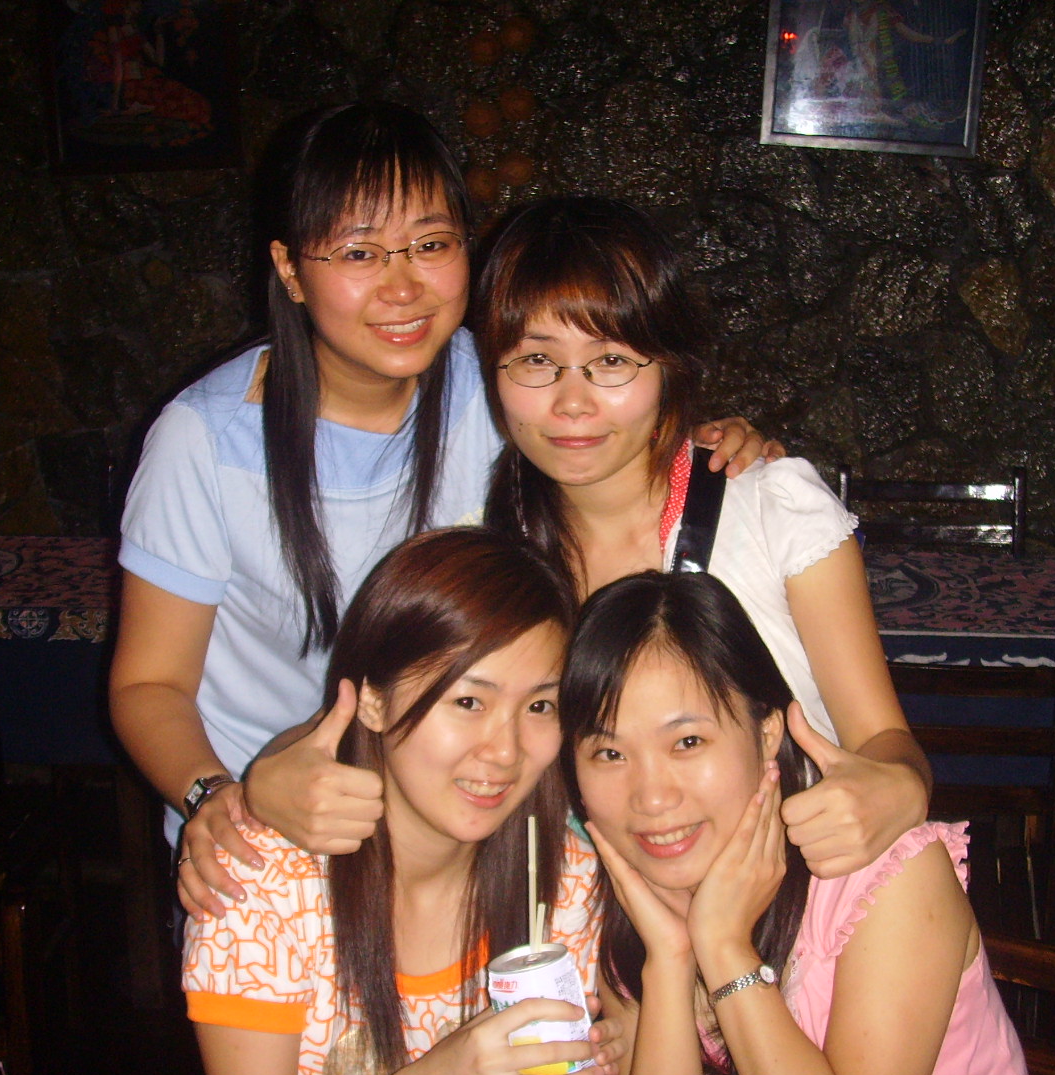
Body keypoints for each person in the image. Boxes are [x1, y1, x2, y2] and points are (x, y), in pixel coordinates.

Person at [109, 102, 772, 916]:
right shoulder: (205, 442)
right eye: (359, 253)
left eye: (430, 245)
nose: (402, 286)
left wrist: (702, 443)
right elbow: (149, 683)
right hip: (282, 839)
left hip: (479, 829)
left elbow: (612, 423)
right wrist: (216, 793)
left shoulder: (504, 384)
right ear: (289, 269)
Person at [563, 570, 1055, 1075]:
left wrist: (723, 946)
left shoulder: (886, 875)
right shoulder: (636, 913)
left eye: (688, 741)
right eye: (610, 754)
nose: (652, 797)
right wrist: (669, 961)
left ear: (767, 732)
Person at [474, 195, 930, 880]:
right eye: (537, 360)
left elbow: (884, 739)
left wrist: (900, 787)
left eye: (611, 360)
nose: (572, 402)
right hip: (591, 918)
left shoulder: (772, 510)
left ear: (670, 367)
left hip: (793, 904)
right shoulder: (495, 554)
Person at [183, 528, 609, 1075]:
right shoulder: (264, 883)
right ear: (373, 701)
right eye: (468, 701)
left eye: (539, 706)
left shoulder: (559, 879)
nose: (504, 751)